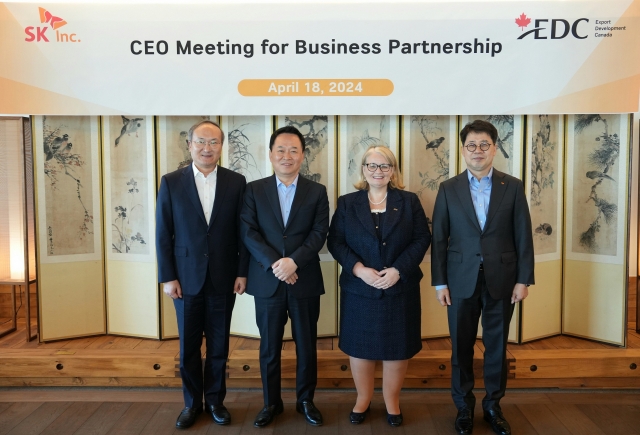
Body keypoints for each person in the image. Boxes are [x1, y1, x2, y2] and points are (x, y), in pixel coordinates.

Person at [431, 120, 534, 435]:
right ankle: (464, 408)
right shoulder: (449, 188)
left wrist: (523, 279)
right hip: (460, 281)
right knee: (460, 347)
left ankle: (493, 406)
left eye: (484, 145)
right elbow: (439, 238)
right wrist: (440, 282)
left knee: (496, 347)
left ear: (495, 147)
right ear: (463, 150)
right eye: (471, 145)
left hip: (503, 280)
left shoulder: (512, 186)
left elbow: (523, 236)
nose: (477, 151)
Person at [327, 146, 431, 427]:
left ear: (393, 170)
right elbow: (335, 241)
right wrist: (359, 270)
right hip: (359, 288)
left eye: (384, 166)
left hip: (400, 287)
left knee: (397, 347)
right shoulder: (348, 203)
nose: (378, 171)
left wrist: (399, 270)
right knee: (360, 348)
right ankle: (362, 399)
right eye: (372, 165)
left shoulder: (409, 201)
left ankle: (391, 402)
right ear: (363, 170)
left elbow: (422, 238)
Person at [156, 120, 249, 429]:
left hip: (224, 277)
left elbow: (243, 233)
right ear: (189, 145)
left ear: (222, 147)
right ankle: (192, 403)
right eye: (201, 142)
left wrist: (242, 272)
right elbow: (163, 233)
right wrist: (168, 277)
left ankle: (216, 402)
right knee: (189, 349)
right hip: (185, 279)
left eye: (213, 143)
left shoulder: (237, 182)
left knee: (220, 346)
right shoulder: (171, 182)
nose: (207, 148)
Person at [240, 126, 330, 428]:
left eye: (293, 150)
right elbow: (249, 232)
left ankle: (306, 400)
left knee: (307, 344)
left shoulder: (317, 191)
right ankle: (271, 403)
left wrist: (293, 262)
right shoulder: (254, 190)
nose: (286, 156)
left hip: (304, 279)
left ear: (303, 155)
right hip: (267, 281)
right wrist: (276, 264)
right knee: (269, 347)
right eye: (280, 149)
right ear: (270, 154)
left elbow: (320, 233)